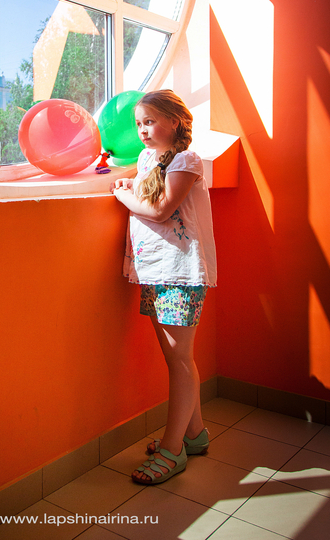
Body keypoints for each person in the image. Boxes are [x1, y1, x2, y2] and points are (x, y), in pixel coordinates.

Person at [110, 90, 216, 485]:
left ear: (174, 121)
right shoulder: (146, 160)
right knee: (177, 358)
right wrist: (130, 183)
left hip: (180, 274)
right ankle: (195, 434)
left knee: (179, 360)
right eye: (139, 123)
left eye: (150, 121)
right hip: (154, 270)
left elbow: (159, 210)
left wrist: (122, 195)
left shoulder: (187, 160)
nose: (142, 130)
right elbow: (150, 193)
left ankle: (173, 450)